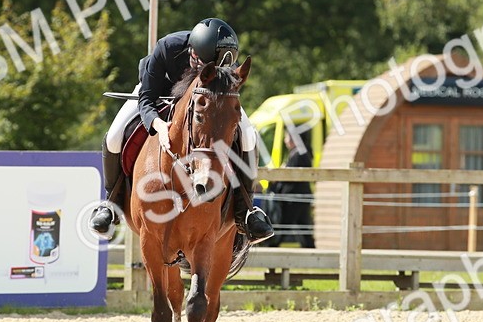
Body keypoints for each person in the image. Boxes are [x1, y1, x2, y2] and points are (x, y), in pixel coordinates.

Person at [89, 18, 274, 243]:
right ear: (193, 52)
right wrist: (158, 124)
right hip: (157, 91)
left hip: (207, 95)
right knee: (114, 135)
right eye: (203, 64)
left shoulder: (223, 62)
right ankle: (111, 203)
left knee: (249, 135)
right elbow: (146, 98)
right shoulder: (168, 47)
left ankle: (246, 210)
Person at [267, 129, 315, 247]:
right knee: (303, 227)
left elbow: (290, 176)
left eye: (287, 137)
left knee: (283, 224)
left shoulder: (299, 154)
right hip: (299, 196)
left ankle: (272, 246)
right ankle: (310, 249)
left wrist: (279, 177)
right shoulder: (301, 153)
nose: (285, 140)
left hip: (293, 197)